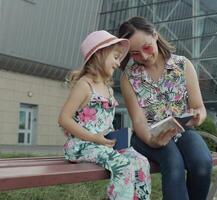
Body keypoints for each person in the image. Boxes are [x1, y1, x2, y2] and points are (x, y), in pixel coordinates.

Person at [117, 16, 212, 200]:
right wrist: (152, 141)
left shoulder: (182, 65)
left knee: (202, 163)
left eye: (146, 47)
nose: (143, 57)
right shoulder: (128, 77)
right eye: (135, 53)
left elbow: (199, 107)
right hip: (148, 134)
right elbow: (138, 121)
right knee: (173, 163)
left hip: (182, 130)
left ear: (155, 36)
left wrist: (198, 115)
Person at [58, 30, 151, 200]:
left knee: (141, 161)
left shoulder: (108, 88)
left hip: (103, 144)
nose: (118, 63)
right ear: (100, 54)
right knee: (123, 165)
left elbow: (105, 122)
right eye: (115, 57)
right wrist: (94, 138)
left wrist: (115, 137)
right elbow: (64, 118)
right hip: (83, 145)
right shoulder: (84, 85)